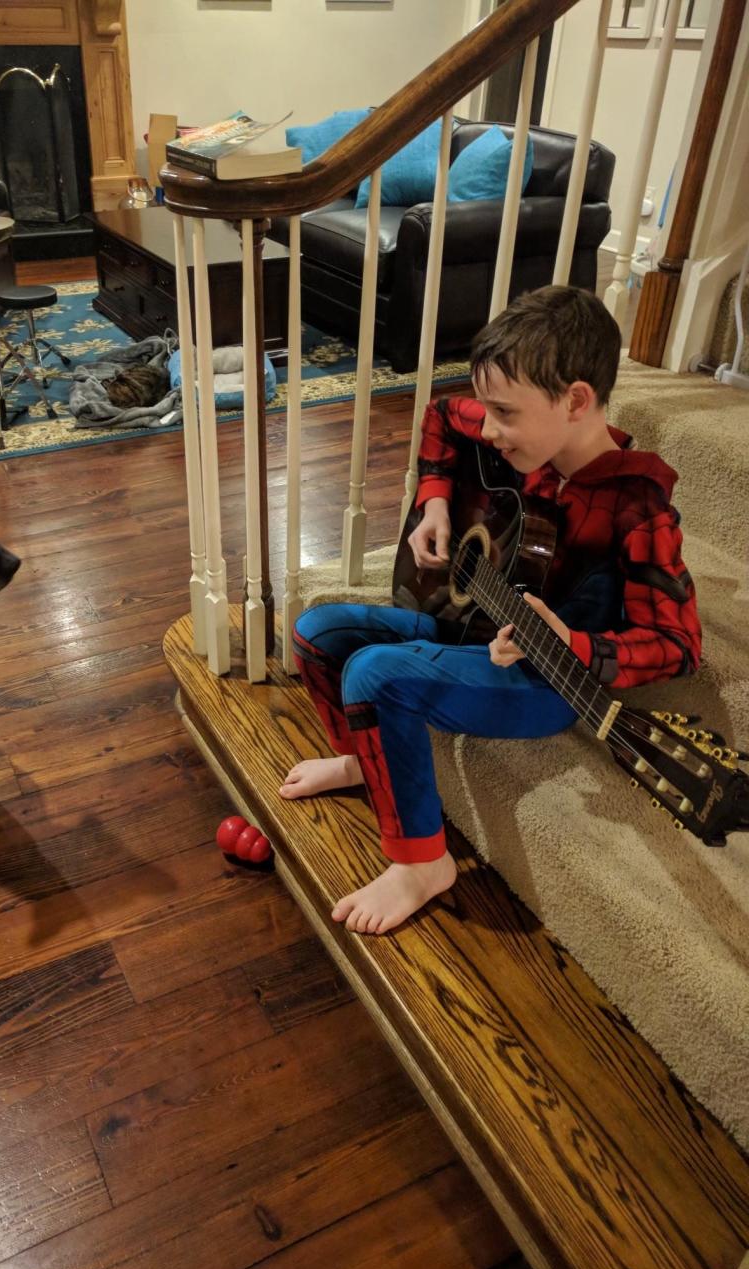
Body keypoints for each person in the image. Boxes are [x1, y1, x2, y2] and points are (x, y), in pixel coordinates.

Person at [280, 285, 701, 935]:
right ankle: (365, 761)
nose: (491, 428)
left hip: (544, 682)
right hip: (474, 622)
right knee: (316, 632)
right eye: (490, 409)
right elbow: (442, 418)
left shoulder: (637, 505)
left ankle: (421, 863)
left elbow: (677, 642)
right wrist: (438, 503)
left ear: (577, 400)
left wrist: (572, 643)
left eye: (504, 413)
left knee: (372, 674)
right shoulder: (524, 437)